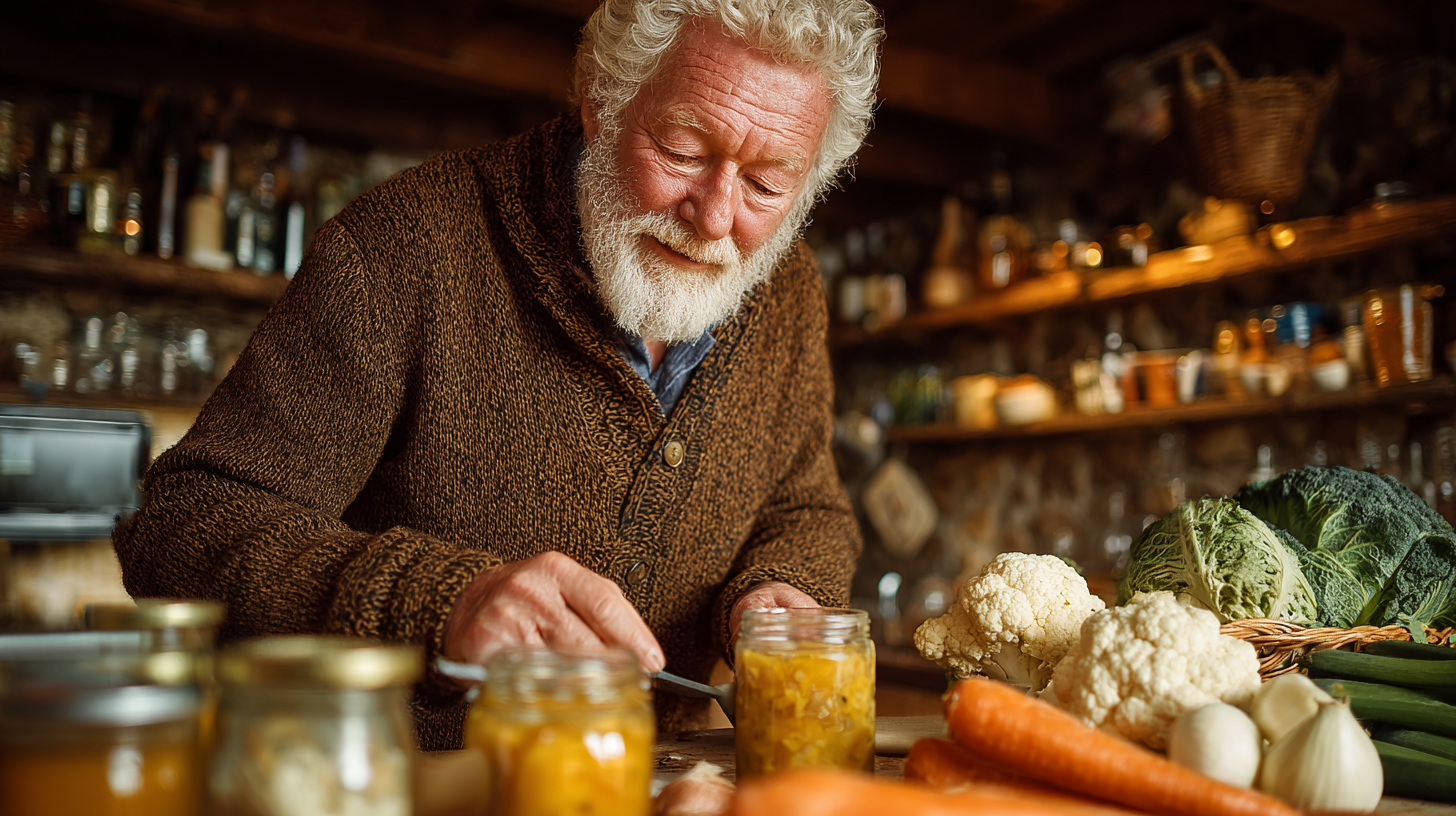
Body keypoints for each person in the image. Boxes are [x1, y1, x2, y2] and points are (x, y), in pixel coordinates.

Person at [114, 0, 883, 750]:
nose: (714, 217)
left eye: (766, 185)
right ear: (601, 104)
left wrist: (780, 596)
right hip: (389, 786)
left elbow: (804, 504)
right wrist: (439, 605)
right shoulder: (405, 247)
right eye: (682, 151)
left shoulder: (786, 293)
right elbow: (182, 524)